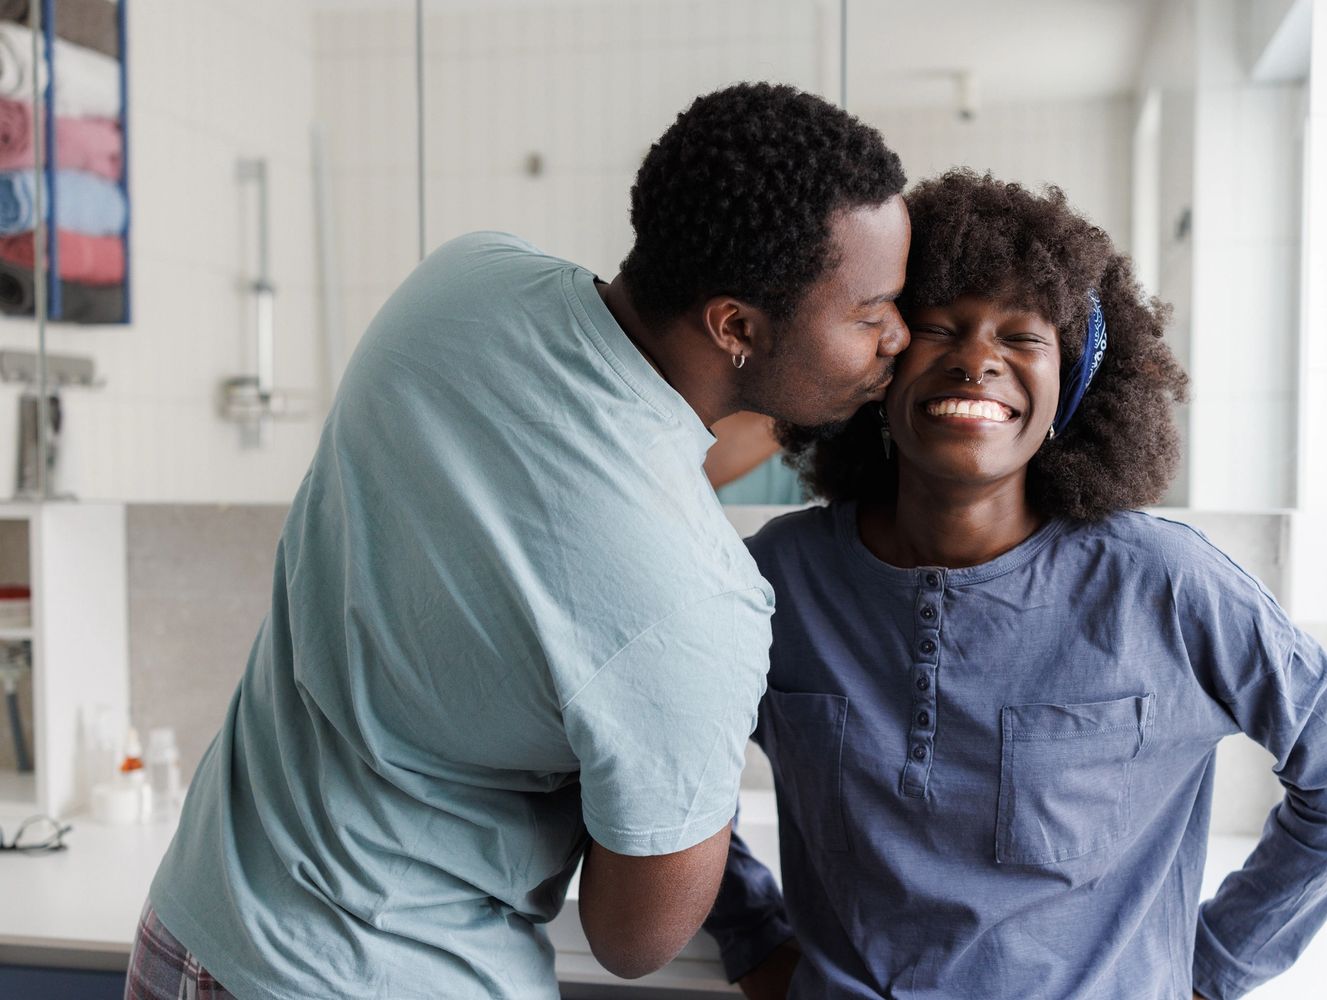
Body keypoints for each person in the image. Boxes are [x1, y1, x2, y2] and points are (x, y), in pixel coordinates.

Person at [127, 83, 911, 1000]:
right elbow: (634, 937)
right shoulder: (700, 609)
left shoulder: (458, 282)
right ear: (735, 324)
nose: (897, 336)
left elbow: (593, 453)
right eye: (870, 315)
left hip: (192, 932)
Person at [704, 170, 1327, 1000]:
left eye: (1021, 336)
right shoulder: (783, 577)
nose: (976, 360)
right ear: (881, 363)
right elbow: (664, 761)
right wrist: (753, 934)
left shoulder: (1165, 586)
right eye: (939, 327)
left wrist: (1210, 971)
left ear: (1071, 384)